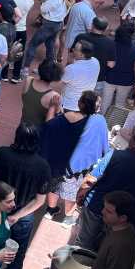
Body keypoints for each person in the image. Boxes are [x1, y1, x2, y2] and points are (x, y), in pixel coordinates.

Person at [74, 117, 135, 251]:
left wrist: (80, 196)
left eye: (132, 133)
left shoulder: (116, 156)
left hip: (96, 207)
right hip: (121, 219)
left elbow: (90, 180)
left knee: (83, 245)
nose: (130, 135)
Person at [0, 125, 51, 269]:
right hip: (24, 215)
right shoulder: (43, 166)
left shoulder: (2, 153)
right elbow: (40, 200)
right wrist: (16, 216)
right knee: (18, 250)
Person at [41, 91, 107, 221]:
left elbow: (48, 127)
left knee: (54, 188)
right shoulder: (99, 121)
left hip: (57, 163)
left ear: (79, 103)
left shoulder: (66, 116)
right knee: (71, 194)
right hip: (76, 169)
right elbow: (103, 146)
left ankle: (50, 210)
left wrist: (53, 108)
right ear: (97, 108)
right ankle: (68, 217)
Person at [86, 192, 135, 269]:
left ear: (123, 218)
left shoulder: (121, 246)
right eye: (104, 207)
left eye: (109, 211)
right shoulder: (114, 227)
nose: (102, 212)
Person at [24, 0, 71, 69]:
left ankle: (25, 68)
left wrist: (44, 2)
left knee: (33, 44)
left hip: (49, 24)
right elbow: (56, 6)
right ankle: (50, 68)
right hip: (58, 23)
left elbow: (44, 9)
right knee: (50, 45)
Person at [102, 24, 135, 114]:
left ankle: (102, 120)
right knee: (119, 106)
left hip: (110, 78)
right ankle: (114, 122)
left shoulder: (110, 45)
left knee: (105, 103)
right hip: (126, 81)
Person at [21, 59, 63, 128]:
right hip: (39, 131)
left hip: (22, 127)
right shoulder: (54, 96)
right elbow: (57, 117)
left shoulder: (28, 80)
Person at [61, 40, 101, 111]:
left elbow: (60, 83)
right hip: (85, 105)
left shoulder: (71, 69)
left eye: (76, 49)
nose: (73, 49)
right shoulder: (96, 61)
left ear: (82, 55)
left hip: (69, 106)